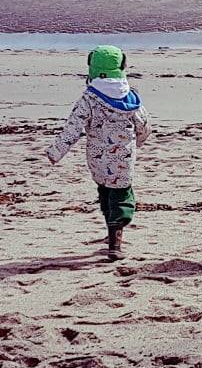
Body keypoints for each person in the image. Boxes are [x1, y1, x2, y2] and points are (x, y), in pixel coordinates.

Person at [46, 45, 150, 259]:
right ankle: (115, 244)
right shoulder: (130, 98)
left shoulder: (89, 99)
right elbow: (144, 124)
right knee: (121, 197)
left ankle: (110, 234)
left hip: (97, 160)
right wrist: (139, 141)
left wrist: (56, 151)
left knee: (105, 192)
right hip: (124, 159)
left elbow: (73, 127)